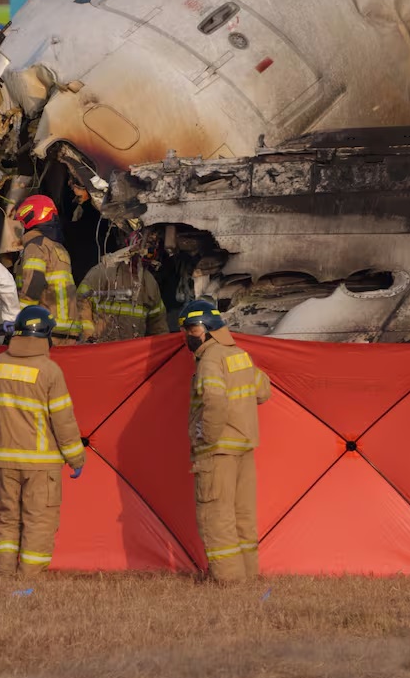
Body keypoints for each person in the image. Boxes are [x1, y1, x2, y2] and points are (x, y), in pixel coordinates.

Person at [0, 306, 84, 576]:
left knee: (8, 519)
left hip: (4, 462)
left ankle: (4, 574)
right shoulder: (50, 371)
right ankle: (28, 581)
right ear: (45, 335)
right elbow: (63, 421)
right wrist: (76, 458)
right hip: (40, 465)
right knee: (39, 521)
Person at [182, 298, 271, 581]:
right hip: (244, 447)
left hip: (218, 451)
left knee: (215, 515)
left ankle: (229, 580)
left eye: (189, 330)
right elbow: (263, 392)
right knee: (242, 516)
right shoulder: (240, 355)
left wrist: (206, 439)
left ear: (202, 329)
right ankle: (248, 574)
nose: (187, 337)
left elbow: (215, 402)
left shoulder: (209, 360)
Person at [12, 194, 81, 343]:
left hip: (47, 329)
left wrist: (20, 321)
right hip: (68, 329)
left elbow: (33, 285)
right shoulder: (57, 247)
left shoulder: (35, 247)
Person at [76, 233, 168, 342]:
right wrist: (88, 337)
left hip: (133, 354)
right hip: (101, 349)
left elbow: (158, 325)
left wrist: (162, 347)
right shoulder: (104, 271)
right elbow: (82, 300)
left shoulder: (149, 282)